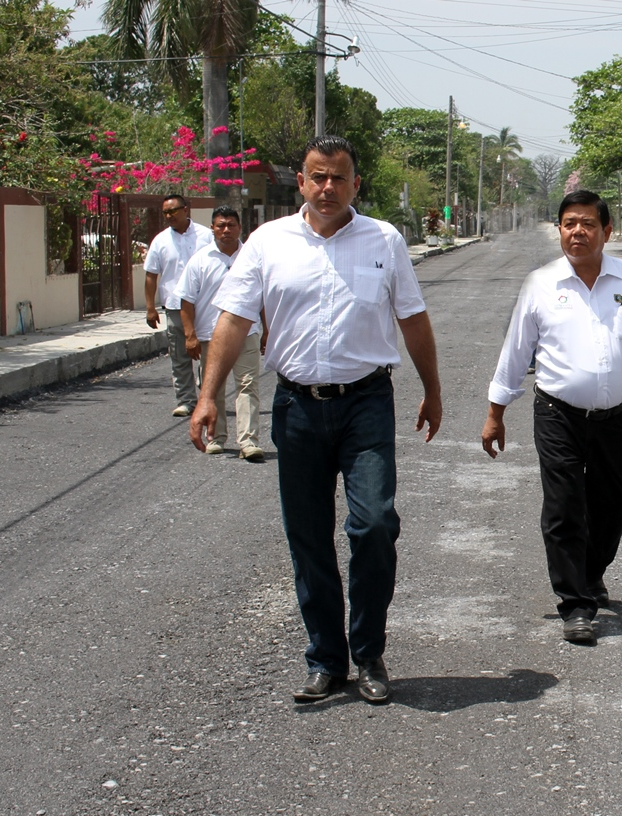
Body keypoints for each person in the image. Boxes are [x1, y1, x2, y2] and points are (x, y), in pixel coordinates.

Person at [191, 135, 444, 705]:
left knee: (374, 524)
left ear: (356, 184)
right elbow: (233, 320)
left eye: (339, 177)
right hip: (297, 405)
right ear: (302, 182)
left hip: (367, 404)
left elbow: (413, 319)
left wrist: (431, 390)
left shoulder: (385, 240)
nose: (327, 187)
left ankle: (369, 652)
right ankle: (326, 660)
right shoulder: (266, 242)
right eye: (317, 177)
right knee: (308, 537)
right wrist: (209, 395)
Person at [481, 190, 622, 646]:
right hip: (557, 413)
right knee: (564, 506)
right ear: (559, 230)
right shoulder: (541, 284)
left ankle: (590, 573)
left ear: (607, 231)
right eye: (569, 224)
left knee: (614, 502)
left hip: (615, 417)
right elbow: (515, 352)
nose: (577, 232)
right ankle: (575, 604)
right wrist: (495, 412)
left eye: (587, 224)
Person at [176, 205, 266, 461]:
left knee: (248, 385)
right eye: (220, 225)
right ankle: (216, 437)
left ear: (240, 228)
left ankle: (248, 442)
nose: (226, 230)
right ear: (213, 229)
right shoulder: (200, 260)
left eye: (231, 225)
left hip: (247, 333)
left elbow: (264, 299)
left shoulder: (251, 258)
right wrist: (190, 335)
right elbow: (186, 301)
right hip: (210, 337)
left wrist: (266, 330)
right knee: (213, 387)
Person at [144, 194, 214, 416]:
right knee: (179, 355)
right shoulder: (161, 241)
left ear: (186, 210)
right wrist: (150, 307)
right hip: (174, 306)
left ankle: (207, 397)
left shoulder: (206, 236)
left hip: (205, 306)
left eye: (173, 211)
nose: (169, 216)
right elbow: (151, 275)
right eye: (165, 212)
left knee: (207, 354)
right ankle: (186, 400)